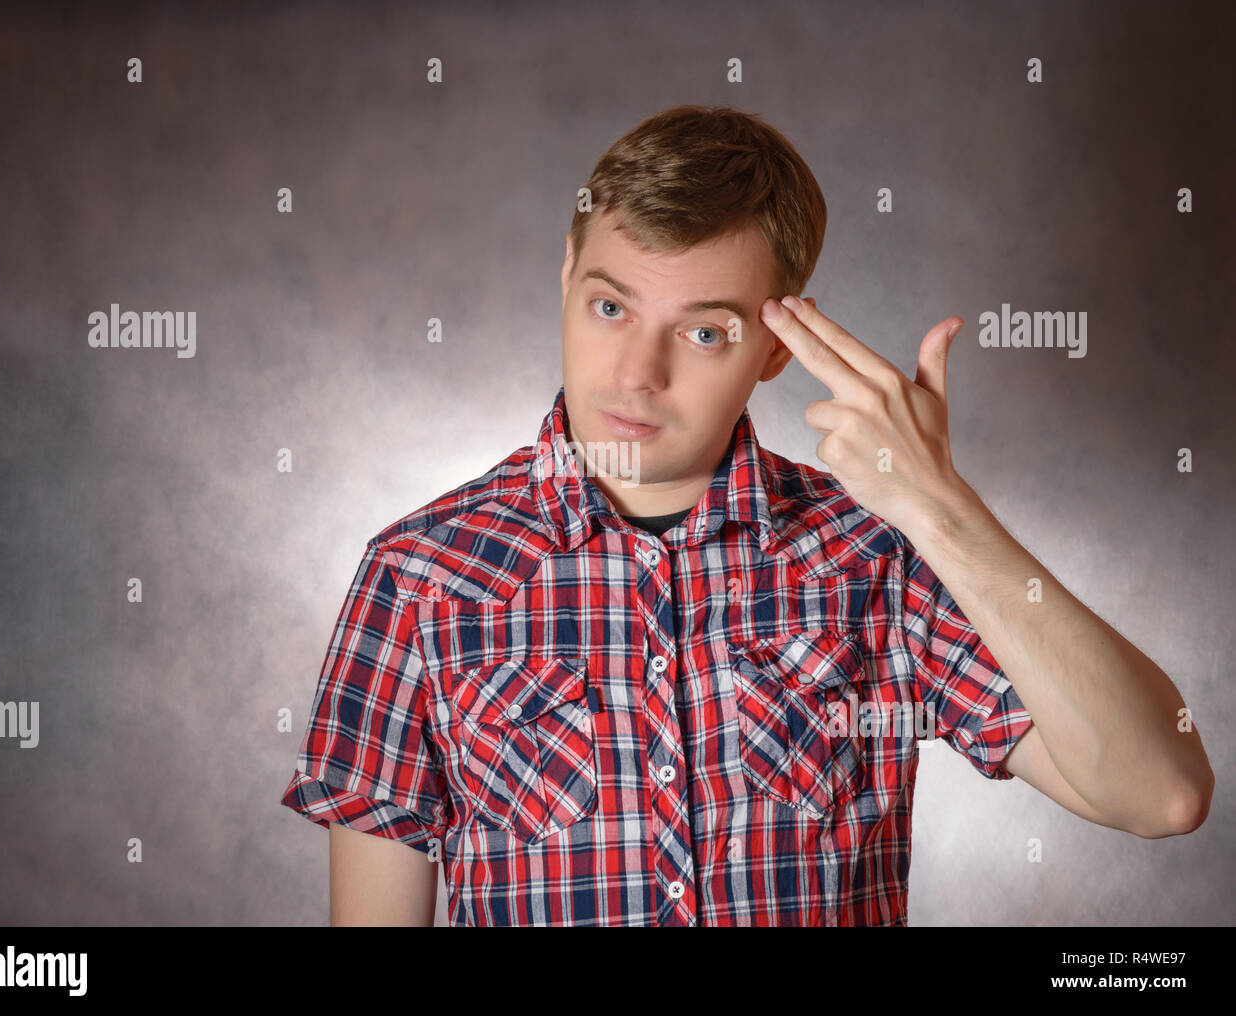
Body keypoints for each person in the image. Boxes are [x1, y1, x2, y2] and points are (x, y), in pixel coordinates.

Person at [279, 104, 1213, 926]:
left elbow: (1162, 793)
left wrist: (942, 508)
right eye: (610, 305)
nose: (638, 374)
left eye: (704, 331)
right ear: (566, 275)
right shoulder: (418, 576)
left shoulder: (879, 557)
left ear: (776, 346)